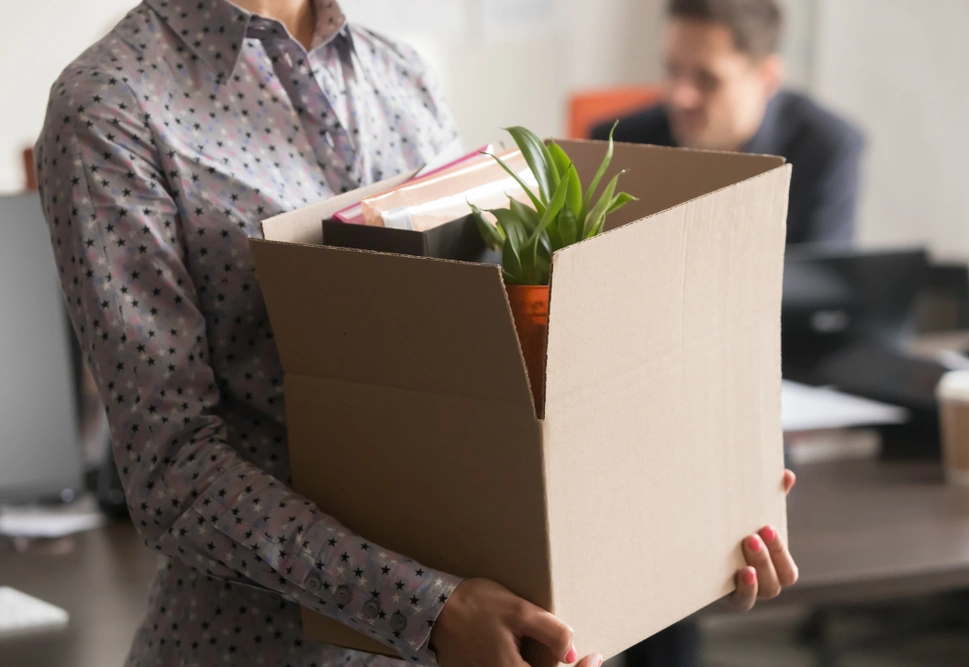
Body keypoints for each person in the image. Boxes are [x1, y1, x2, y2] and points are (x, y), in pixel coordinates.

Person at [35, 1, 798, 665]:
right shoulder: (111, 105)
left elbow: (484, 392)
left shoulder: (402, 76)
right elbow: (174, 474)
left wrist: (685, 533)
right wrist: (432, 610)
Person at [592, 0, 866, 246]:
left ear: (768, 78)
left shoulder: (827, 148)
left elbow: (824, 290)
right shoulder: (617, 144)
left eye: (708, 80)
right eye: (672, 69)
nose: (680, 97)